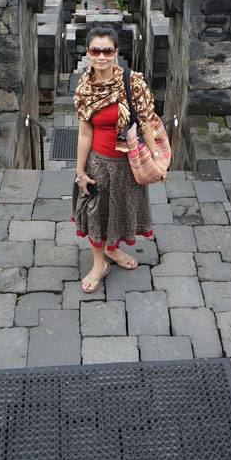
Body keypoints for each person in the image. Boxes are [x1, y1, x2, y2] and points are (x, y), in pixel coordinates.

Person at [72, 23, 166, 292]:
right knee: (96, 213)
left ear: (115, 52)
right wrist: (80, 172)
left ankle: (112, 249)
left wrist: (157, 159)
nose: (101, 56)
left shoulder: (133, 84)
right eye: (95, 51)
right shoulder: (85, 88)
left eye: (107, 51)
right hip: (98, 163)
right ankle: (98, 264)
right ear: (88, 52)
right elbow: (84, 133)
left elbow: (145, 124)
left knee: (120, 211)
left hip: (128, 163)